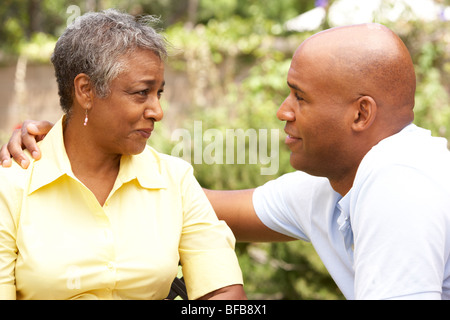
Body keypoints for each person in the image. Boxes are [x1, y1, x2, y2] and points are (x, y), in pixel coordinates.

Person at [2, 23, 450, 300]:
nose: (283, 110)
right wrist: (69, 148)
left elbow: (227, 296)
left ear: (361, 113)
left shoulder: (400, 187)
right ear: (85, 91)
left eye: (300, 97)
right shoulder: (330, 186)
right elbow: (196, 206)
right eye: (143, 93)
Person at [0, 9, 245, 300]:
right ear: (86, 91)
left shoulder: (175, 180)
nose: (157, 111)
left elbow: (223, 291)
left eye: (159, 94)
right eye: (142, 93)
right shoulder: (11, 187)